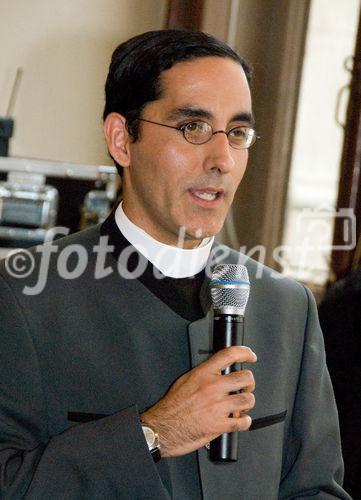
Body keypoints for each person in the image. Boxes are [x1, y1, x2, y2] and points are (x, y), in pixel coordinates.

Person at [0, 30, 349, 499]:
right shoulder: (24, 298)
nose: (222, 159)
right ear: (123, 140)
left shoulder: (289, 308)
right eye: (194, 128)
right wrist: (153, 433)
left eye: (238, 134)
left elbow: (315, 489)